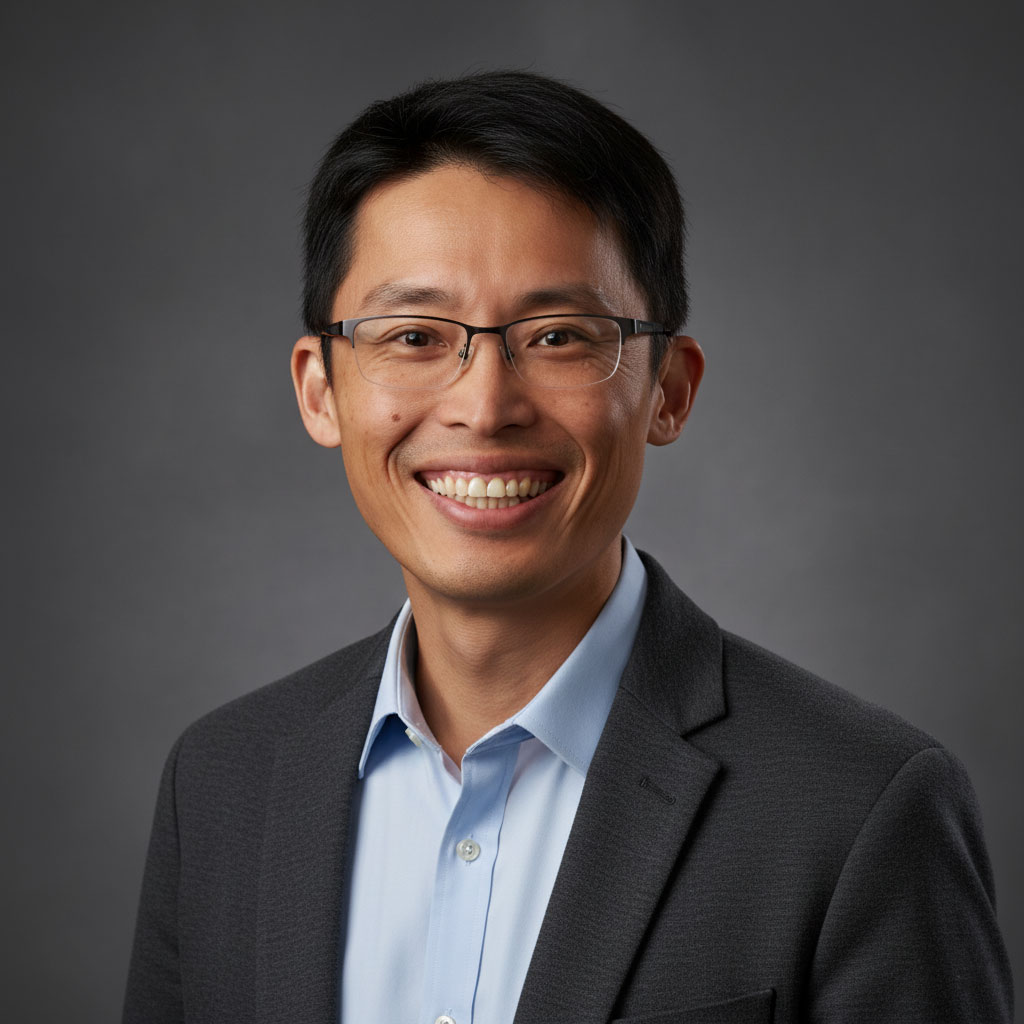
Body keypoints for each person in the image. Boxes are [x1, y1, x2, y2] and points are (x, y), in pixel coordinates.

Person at [123, 71, 1013, 1024]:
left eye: (556, 336)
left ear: (668, 388)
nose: (484, 406)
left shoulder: (861, 807)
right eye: (416, 335)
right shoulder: (222, 784)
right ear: (320, 390)